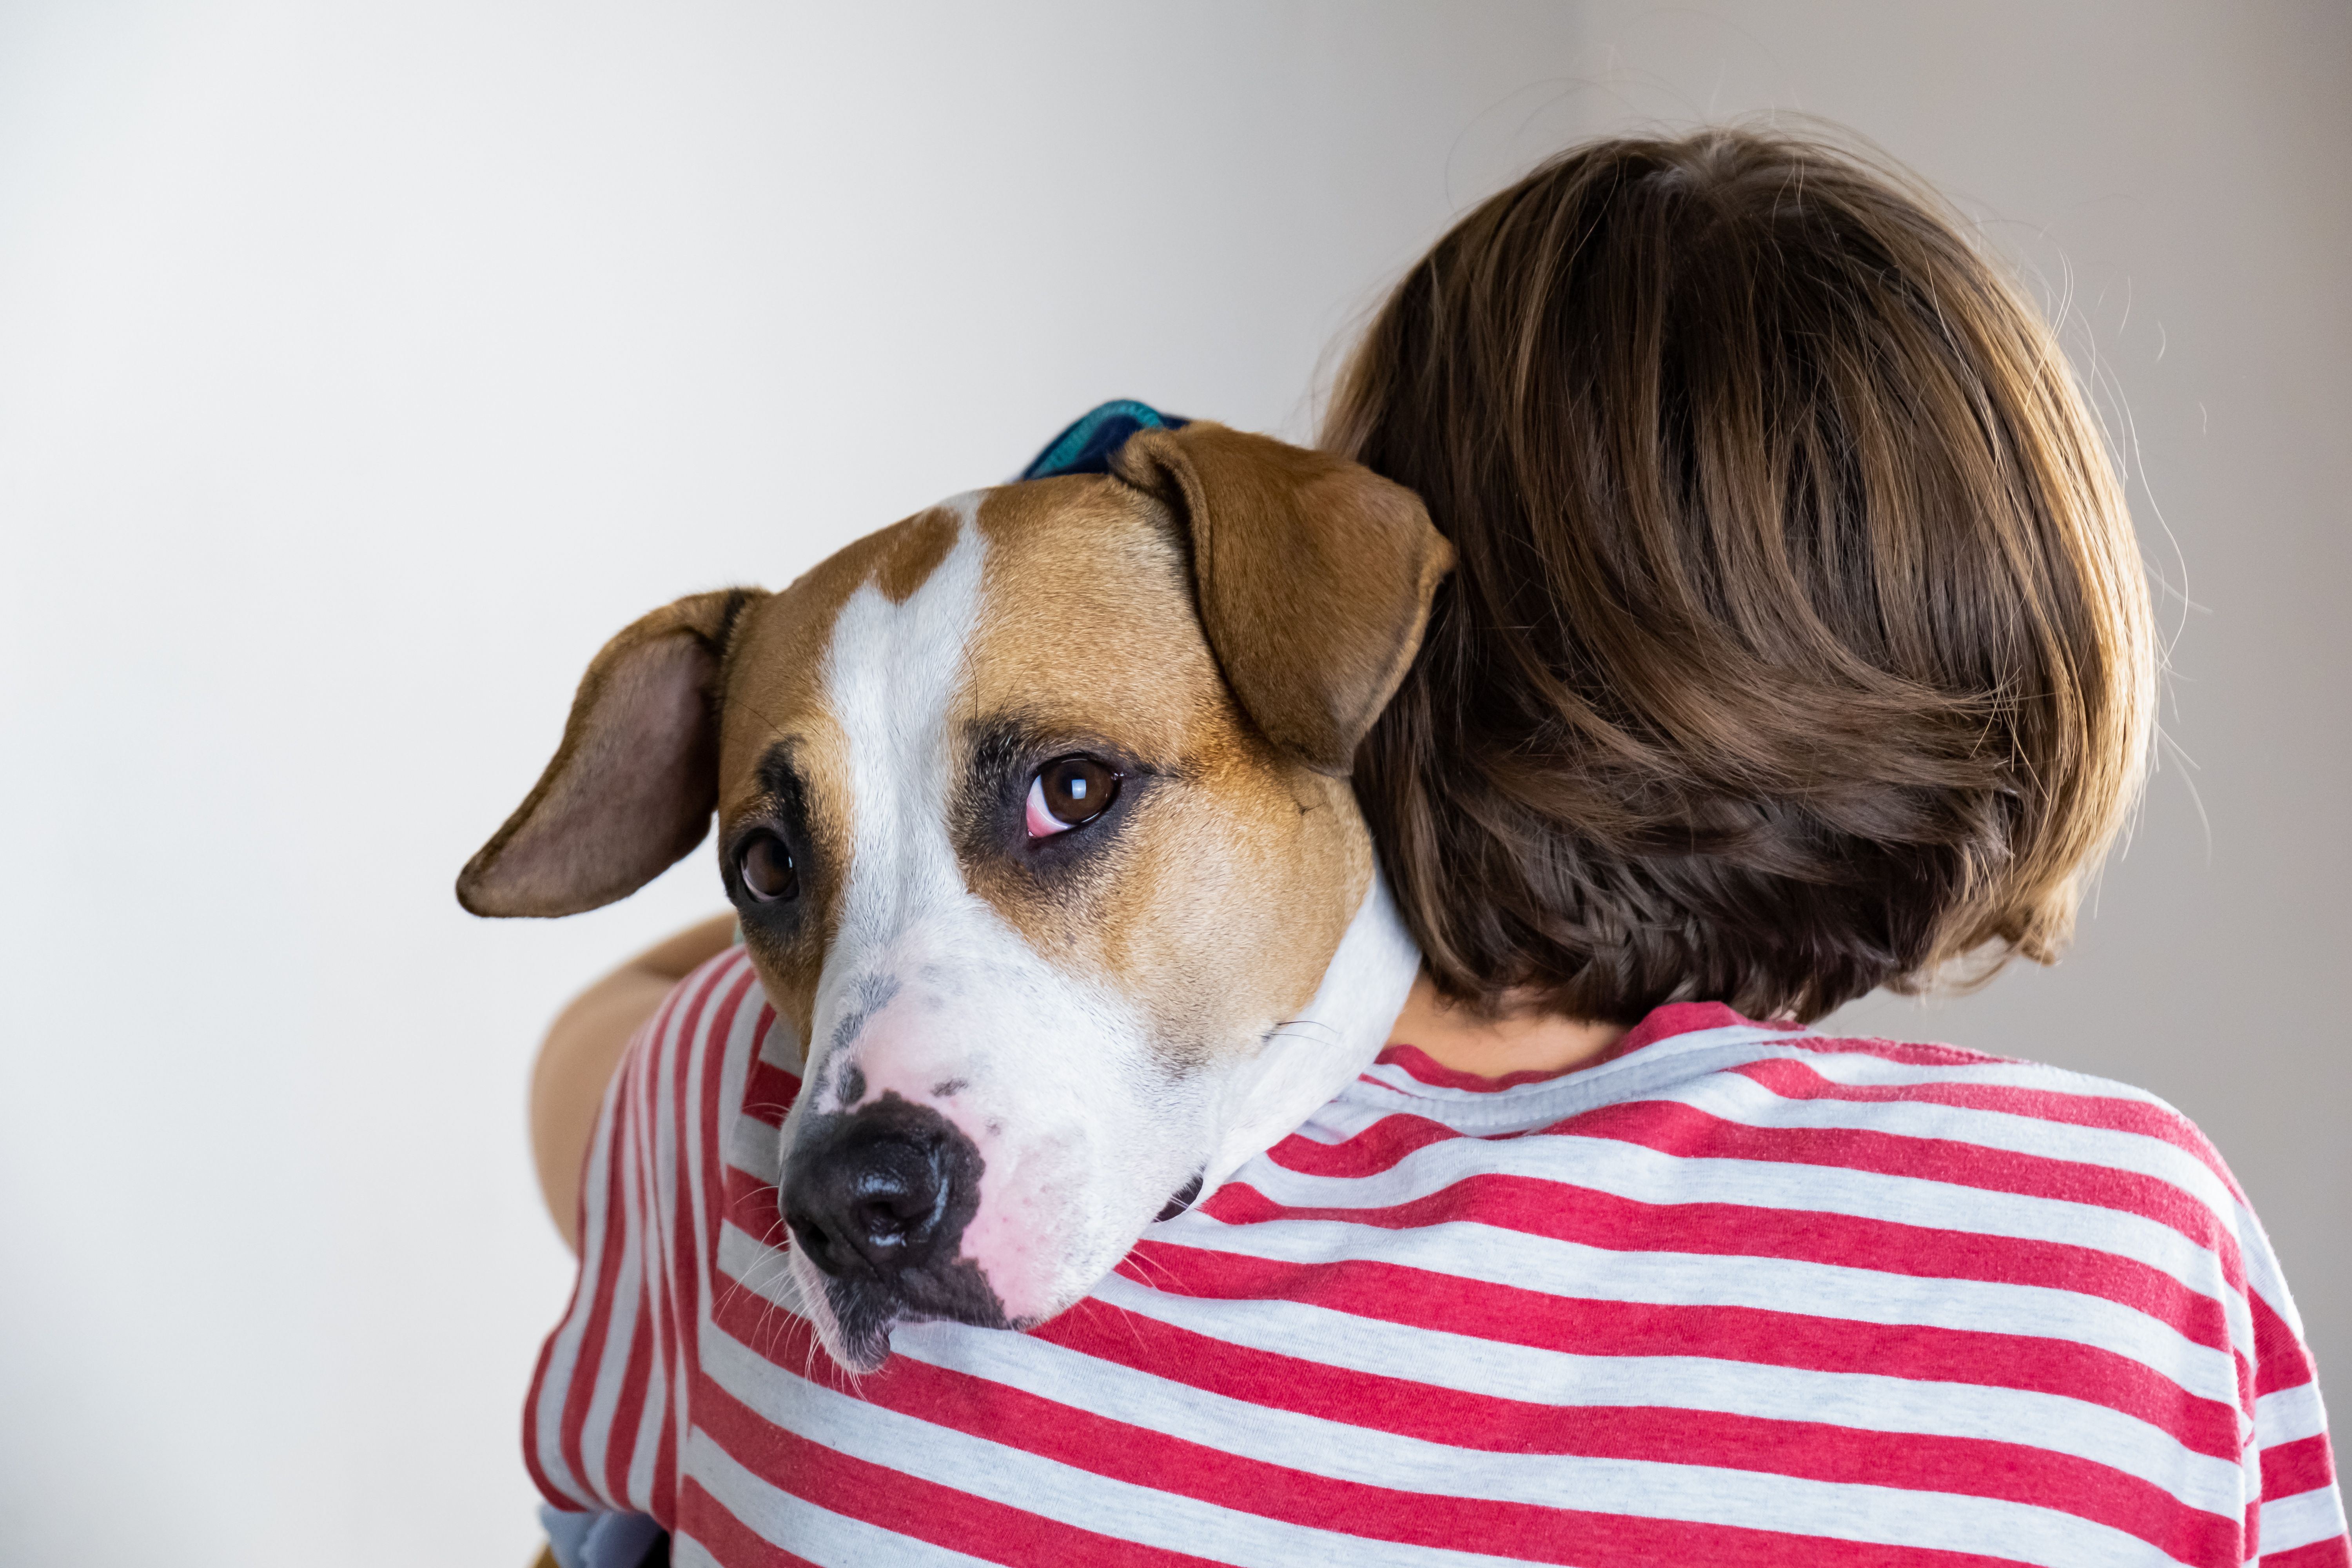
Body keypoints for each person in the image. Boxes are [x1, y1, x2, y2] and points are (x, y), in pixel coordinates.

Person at [519, 128, 2348, 1566]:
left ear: (1395, 620)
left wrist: (847, 817)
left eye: (1072, 798)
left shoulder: (735, 1116)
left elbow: (584, 1086)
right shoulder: (2129, 1264)